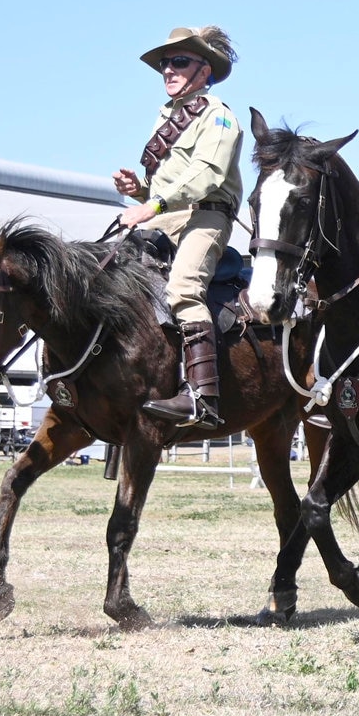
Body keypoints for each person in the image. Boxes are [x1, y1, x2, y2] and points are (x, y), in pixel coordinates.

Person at [113, 26, 243, 430]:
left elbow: (207, 175)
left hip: (207, 217)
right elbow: (165, 187)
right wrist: (140, 191)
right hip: (164, 215)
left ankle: (201, 399)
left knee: (184, 288)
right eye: (165, 64)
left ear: (204, 71)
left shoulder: (219, 116)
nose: (168, 69)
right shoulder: (166, 117)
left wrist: (149, 204)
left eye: (179, 61)